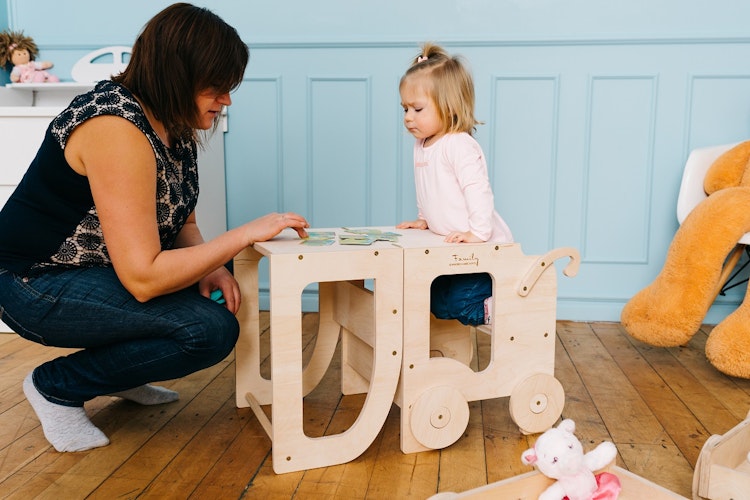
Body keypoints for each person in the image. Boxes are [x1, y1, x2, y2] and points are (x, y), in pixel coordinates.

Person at [0, 3, 309, 453]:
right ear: (177, 76)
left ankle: (123, 374)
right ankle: (56, 386)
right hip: (32, 283)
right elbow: (144, 279)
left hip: (98, 272)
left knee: (211, 302)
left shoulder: (171, 123)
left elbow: (182, 217)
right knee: (207, 330)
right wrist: (240, 237)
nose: (226, 99)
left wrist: (210, 268)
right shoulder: (115, 127)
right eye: (217, 87)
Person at [396, 42, 513, 327]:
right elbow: (427, 187)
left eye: (417, 108)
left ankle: (507, 305)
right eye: (405, 108)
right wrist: (424, 219)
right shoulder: (422, 145)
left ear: (448, 106)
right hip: (451, 250)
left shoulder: (458, 144)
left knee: (461, 304)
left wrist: (478, 232)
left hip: (480, 251)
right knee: (432, 299)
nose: (408, 117)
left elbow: (477, 190)